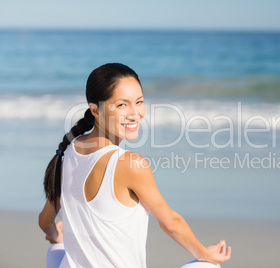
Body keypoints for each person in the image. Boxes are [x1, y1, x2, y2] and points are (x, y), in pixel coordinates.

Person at [38, 63, 231, 267]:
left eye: (139, 102)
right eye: (122, 105)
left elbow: (45, 221)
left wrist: (54, 235)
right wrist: (205, 254)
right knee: (210, 266)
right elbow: (171, 223)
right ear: (95, 110)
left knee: (56, 250)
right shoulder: (130, 165)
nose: (134, 114)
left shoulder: (69, 150)